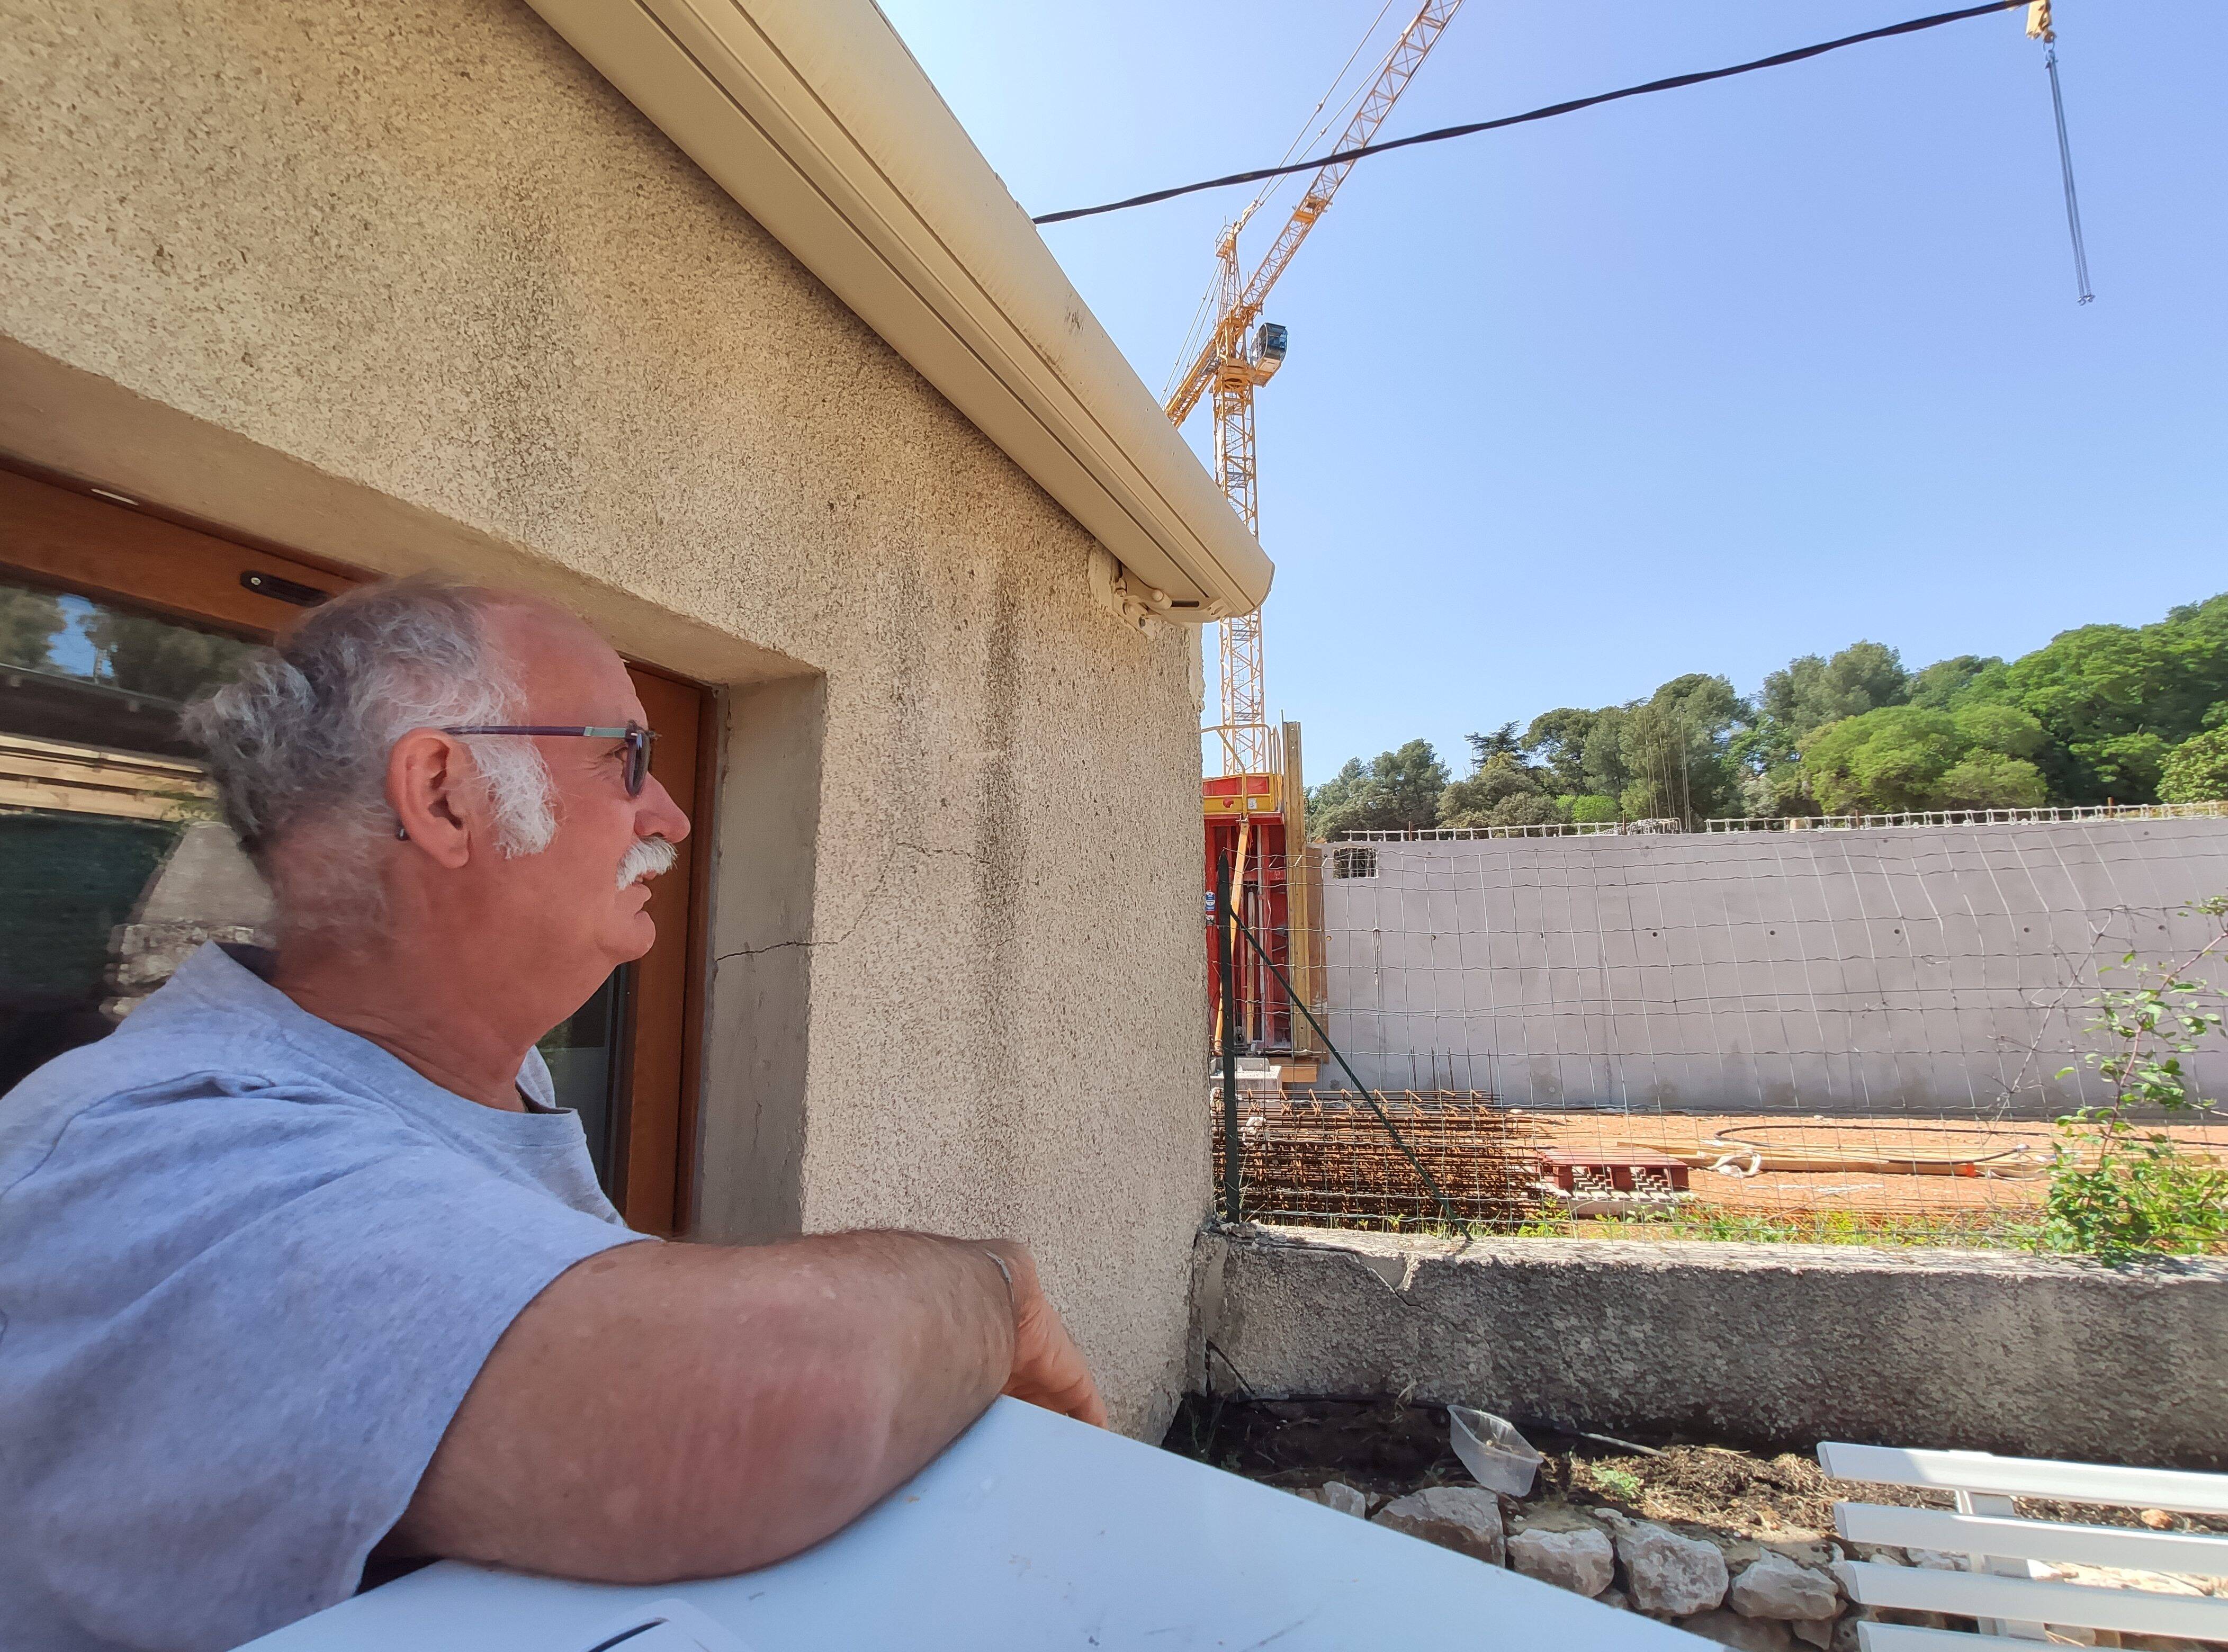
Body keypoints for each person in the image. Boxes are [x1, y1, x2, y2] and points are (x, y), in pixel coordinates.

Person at [0, 577, 1104, 1652]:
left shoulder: (464, 1073)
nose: (670, 815)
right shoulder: (163, 1146)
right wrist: (997, 1296)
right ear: (442, 795)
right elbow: (748, 1409)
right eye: (625, 757)